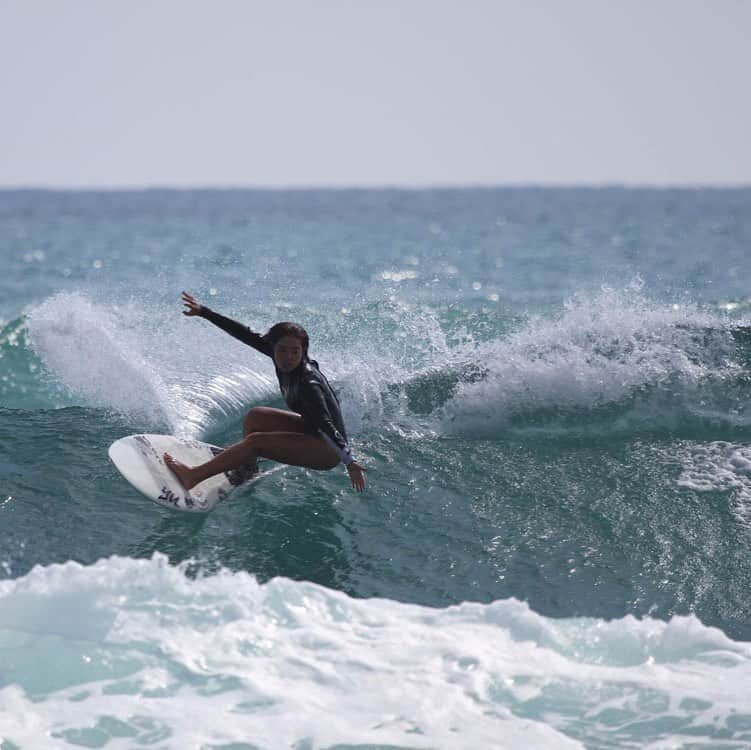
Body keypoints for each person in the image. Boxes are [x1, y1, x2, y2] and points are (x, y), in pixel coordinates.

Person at [163, 291, 366, 492]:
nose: (288, 357)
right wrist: (204, 312)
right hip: (310, 430)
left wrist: (349, 461)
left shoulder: (308, 384)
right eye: (282, 350)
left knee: (256, 442)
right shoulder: (278, 354)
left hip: (327, 450)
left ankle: (192, 476)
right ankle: (247, 468)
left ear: (303, 351)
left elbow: (326, 423)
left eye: (295, 351)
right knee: (255, 417)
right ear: (273, 347)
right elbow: (243, 333)